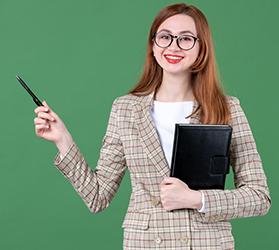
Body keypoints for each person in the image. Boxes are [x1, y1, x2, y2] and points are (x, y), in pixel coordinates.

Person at [34, 3, 271, 249]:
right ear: (153, 46)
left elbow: (259, 198)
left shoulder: (226, 109)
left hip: (206, 243)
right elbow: (97, 197)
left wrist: (195, 198)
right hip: (146, 244)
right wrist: (63, 139)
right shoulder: (125, 109)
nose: (173, 46)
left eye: (186, 39)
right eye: (165, 37)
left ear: (201, 49)